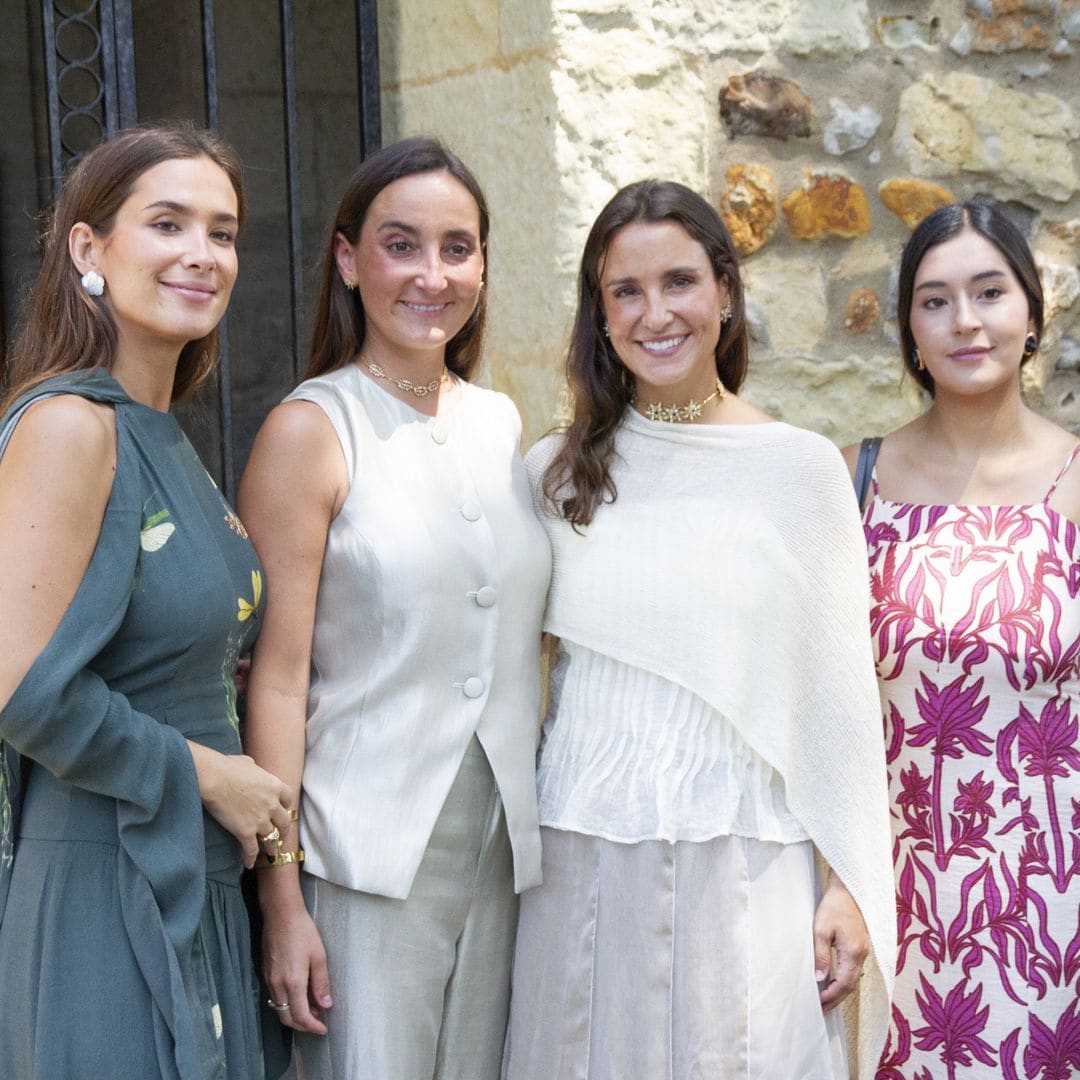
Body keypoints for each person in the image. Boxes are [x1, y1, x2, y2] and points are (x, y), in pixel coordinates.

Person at [501, 179, 895, 1080]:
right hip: (582, 844)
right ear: (598, 317)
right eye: (625, 293)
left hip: (748, 854)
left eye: (679, 282)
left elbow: (838, 695)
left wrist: (849, 885)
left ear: (724, 291)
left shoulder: (798, 471)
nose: (656, 313)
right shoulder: (552, 474)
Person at [238, 137, 551, 1079]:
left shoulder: (500, 423)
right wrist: (281, 901)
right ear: (347, 259)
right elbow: (278, 681)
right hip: (360, 859)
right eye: (401, 244)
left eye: (457, 247)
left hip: (505, 857)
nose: (432, 274)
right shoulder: (309, 430)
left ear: (484, 264)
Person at [0, 124, 295, 1079]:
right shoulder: (67, 426)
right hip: (102, 880)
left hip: (194, 877)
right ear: (89, 248)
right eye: (166, 223)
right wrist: (214, 776)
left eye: (223, 230)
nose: (201, 255)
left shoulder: (162, 433)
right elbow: (16, 688)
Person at [842, 198, 1080, 1078]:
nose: (966, 322)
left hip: (1054, 897)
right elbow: (826, 700)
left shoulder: (1076, 481)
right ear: (908, 328)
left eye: (990, 293)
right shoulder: (855, 480)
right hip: (893, 893)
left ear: (1030, 314)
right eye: (935, 301)